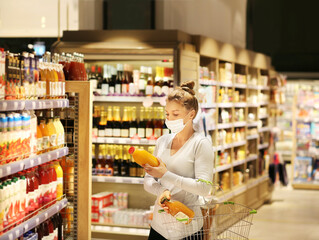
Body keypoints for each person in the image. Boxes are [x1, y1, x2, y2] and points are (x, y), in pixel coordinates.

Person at [143, 81, 214, 240]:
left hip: (187, 228)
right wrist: (161, 191)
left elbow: (204, 188)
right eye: (167, 114)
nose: (169, 119)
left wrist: (166, 175)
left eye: (175, 114)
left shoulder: (200, 144)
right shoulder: (162, 141)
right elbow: (148, 180)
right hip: (159, 227)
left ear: (191, 114)